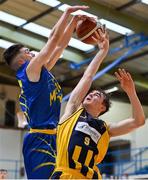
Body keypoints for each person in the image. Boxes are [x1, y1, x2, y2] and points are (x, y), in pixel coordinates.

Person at [2, 5, 89, 179]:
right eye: (27, 51)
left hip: (53, 136)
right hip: (38, 139)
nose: (32, 52)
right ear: (21, 61)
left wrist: (73, 24)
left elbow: (59, 46)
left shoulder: (41, 71)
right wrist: (66, 13)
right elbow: (53, 40)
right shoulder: (29, 70)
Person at [51, 29, 145, 179]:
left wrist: (131, 92)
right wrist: (102, 52)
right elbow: (87, 77)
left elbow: (138, 121)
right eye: (91, 93)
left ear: (102, 107)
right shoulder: (73, 111)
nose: (91, 94)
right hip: (66, 175)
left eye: (97, 95)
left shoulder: (105, 129)